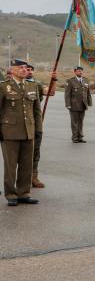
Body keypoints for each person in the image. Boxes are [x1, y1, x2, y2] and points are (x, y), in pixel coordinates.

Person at [1, 59, 42, 206]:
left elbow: (37, 110)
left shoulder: (32, 86)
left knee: (26, 164)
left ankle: (24, 193)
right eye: (21, 67)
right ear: (12, 70)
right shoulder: (4, 87)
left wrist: (38, 129)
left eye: (25, 67)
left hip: (28, 131)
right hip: (9, 132)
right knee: (10, 166)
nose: (25, 70)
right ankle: (11, 194)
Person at [25, 64, 55, 189]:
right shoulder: (12, 84)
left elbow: (51, 93)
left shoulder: (36, 84)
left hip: (35, 121)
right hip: (20, 123)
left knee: (35, 151)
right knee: (21, 153)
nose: (29, 71)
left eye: (31, 69)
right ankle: (22, 178)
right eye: (27, 69)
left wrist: (53, 80)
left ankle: (33, 177)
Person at [64, 65, 92, 143]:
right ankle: (75, 137)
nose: (80, 72)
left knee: (81, 122)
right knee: (74, 122)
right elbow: (67, 94)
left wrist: (89, 102)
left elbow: (88, 92)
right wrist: (68, 104)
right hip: (74, 105)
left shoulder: (85, 80)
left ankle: (80, 137)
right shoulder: (70, 81)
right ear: (75, 72)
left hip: (83, 104)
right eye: (79, 71)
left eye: (81, 71)